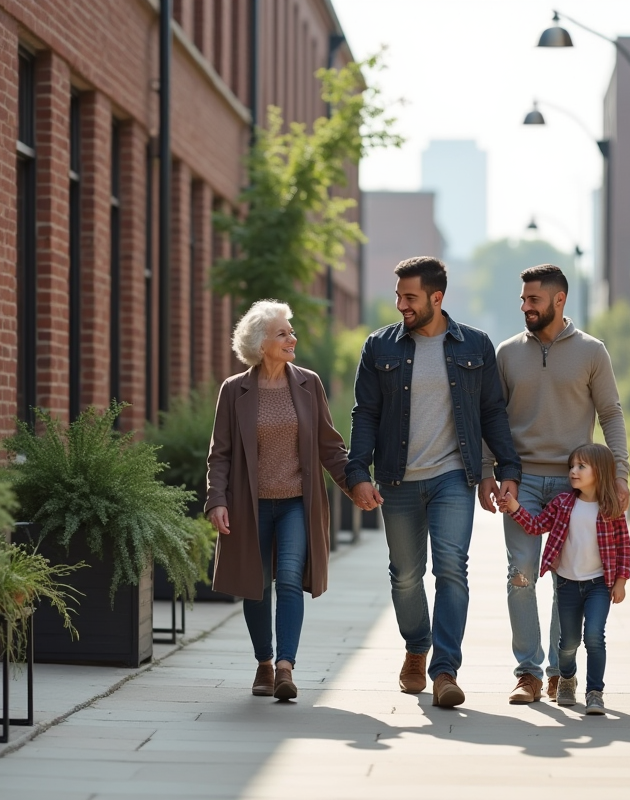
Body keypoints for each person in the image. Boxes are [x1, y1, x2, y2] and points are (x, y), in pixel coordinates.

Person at [347, 256, 521, 708]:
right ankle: (416, 647)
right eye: (399, 295)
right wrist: (356, 472)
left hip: (451, 477)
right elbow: (365, 413)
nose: (401, 304)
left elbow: (491, 414)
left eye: (410, 297)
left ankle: (445, 670)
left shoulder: (475, 346)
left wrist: (507, 471)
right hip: (397, 479)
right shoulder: (379, 347)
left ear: (436, 298)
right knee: (405, 576)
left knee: (451, 569)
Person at [479, 263, 630, 705]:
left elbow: (612, 414)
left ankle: (557, 673)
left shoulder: (591, 352)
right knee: (521, 574)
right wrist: (489, 472)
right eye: (523, 299)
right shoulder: (507, 353)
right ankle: (526, 672)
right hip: (520, 480)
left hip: (576, 486)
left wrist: (619, 475)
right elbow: (494, 417)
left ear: (559, 300)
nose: (525, 306)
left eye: (534, 300)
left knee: (568, 580)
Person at [205, 300, 350, 701]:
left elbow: (329, 445)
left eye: (291, 331)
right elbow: (221, 453)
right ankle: (264, 663)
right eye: (282, 333)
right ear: (259, 342)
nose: (292, 338)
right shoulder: (234, 391)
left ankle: (286, 667)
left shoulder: (308, 384)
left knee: (287, 578)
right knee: (256, 585)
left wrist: (355, 484)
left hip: (295, 504)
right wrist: (216, 499)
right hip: (249, 506)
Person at [497, 443, 630, 715]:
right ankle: (566, 678)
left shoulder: (611, 508)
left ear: (601, 472)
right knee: (568, 643)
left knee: (594, 636)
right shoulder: (562, 504)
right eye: (571, 466)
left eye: (581, 466)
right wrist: (514, 507)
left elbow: (624, 547)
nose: (573, 471)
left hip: (598, 586)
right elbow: (536, 526)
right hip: (568, 584)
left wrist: (621, 581)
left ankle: (595, 692)